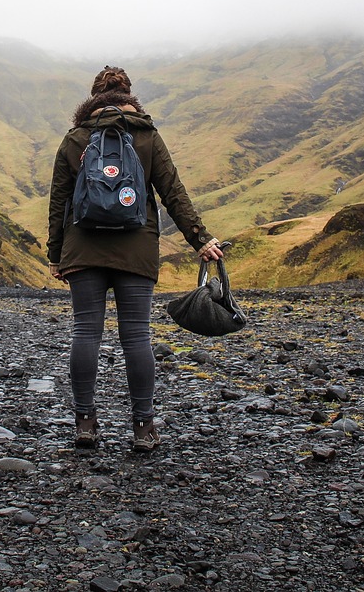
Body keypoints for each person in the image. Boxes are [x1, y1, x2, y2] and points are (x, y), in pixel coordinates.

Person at [47, 66, 225, 452]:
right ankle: (143, 428)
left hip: (82, 247)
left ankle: (85, 425)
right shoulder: (146, 135)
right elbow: (172, 192)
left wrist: (55, 254)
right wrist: (201, 239)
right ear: (130, 96)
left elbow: (59, 201)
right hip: (136, 245)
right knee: (136, 336)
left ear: (92, 97)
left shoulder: (76, 138)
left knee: (85, 333)